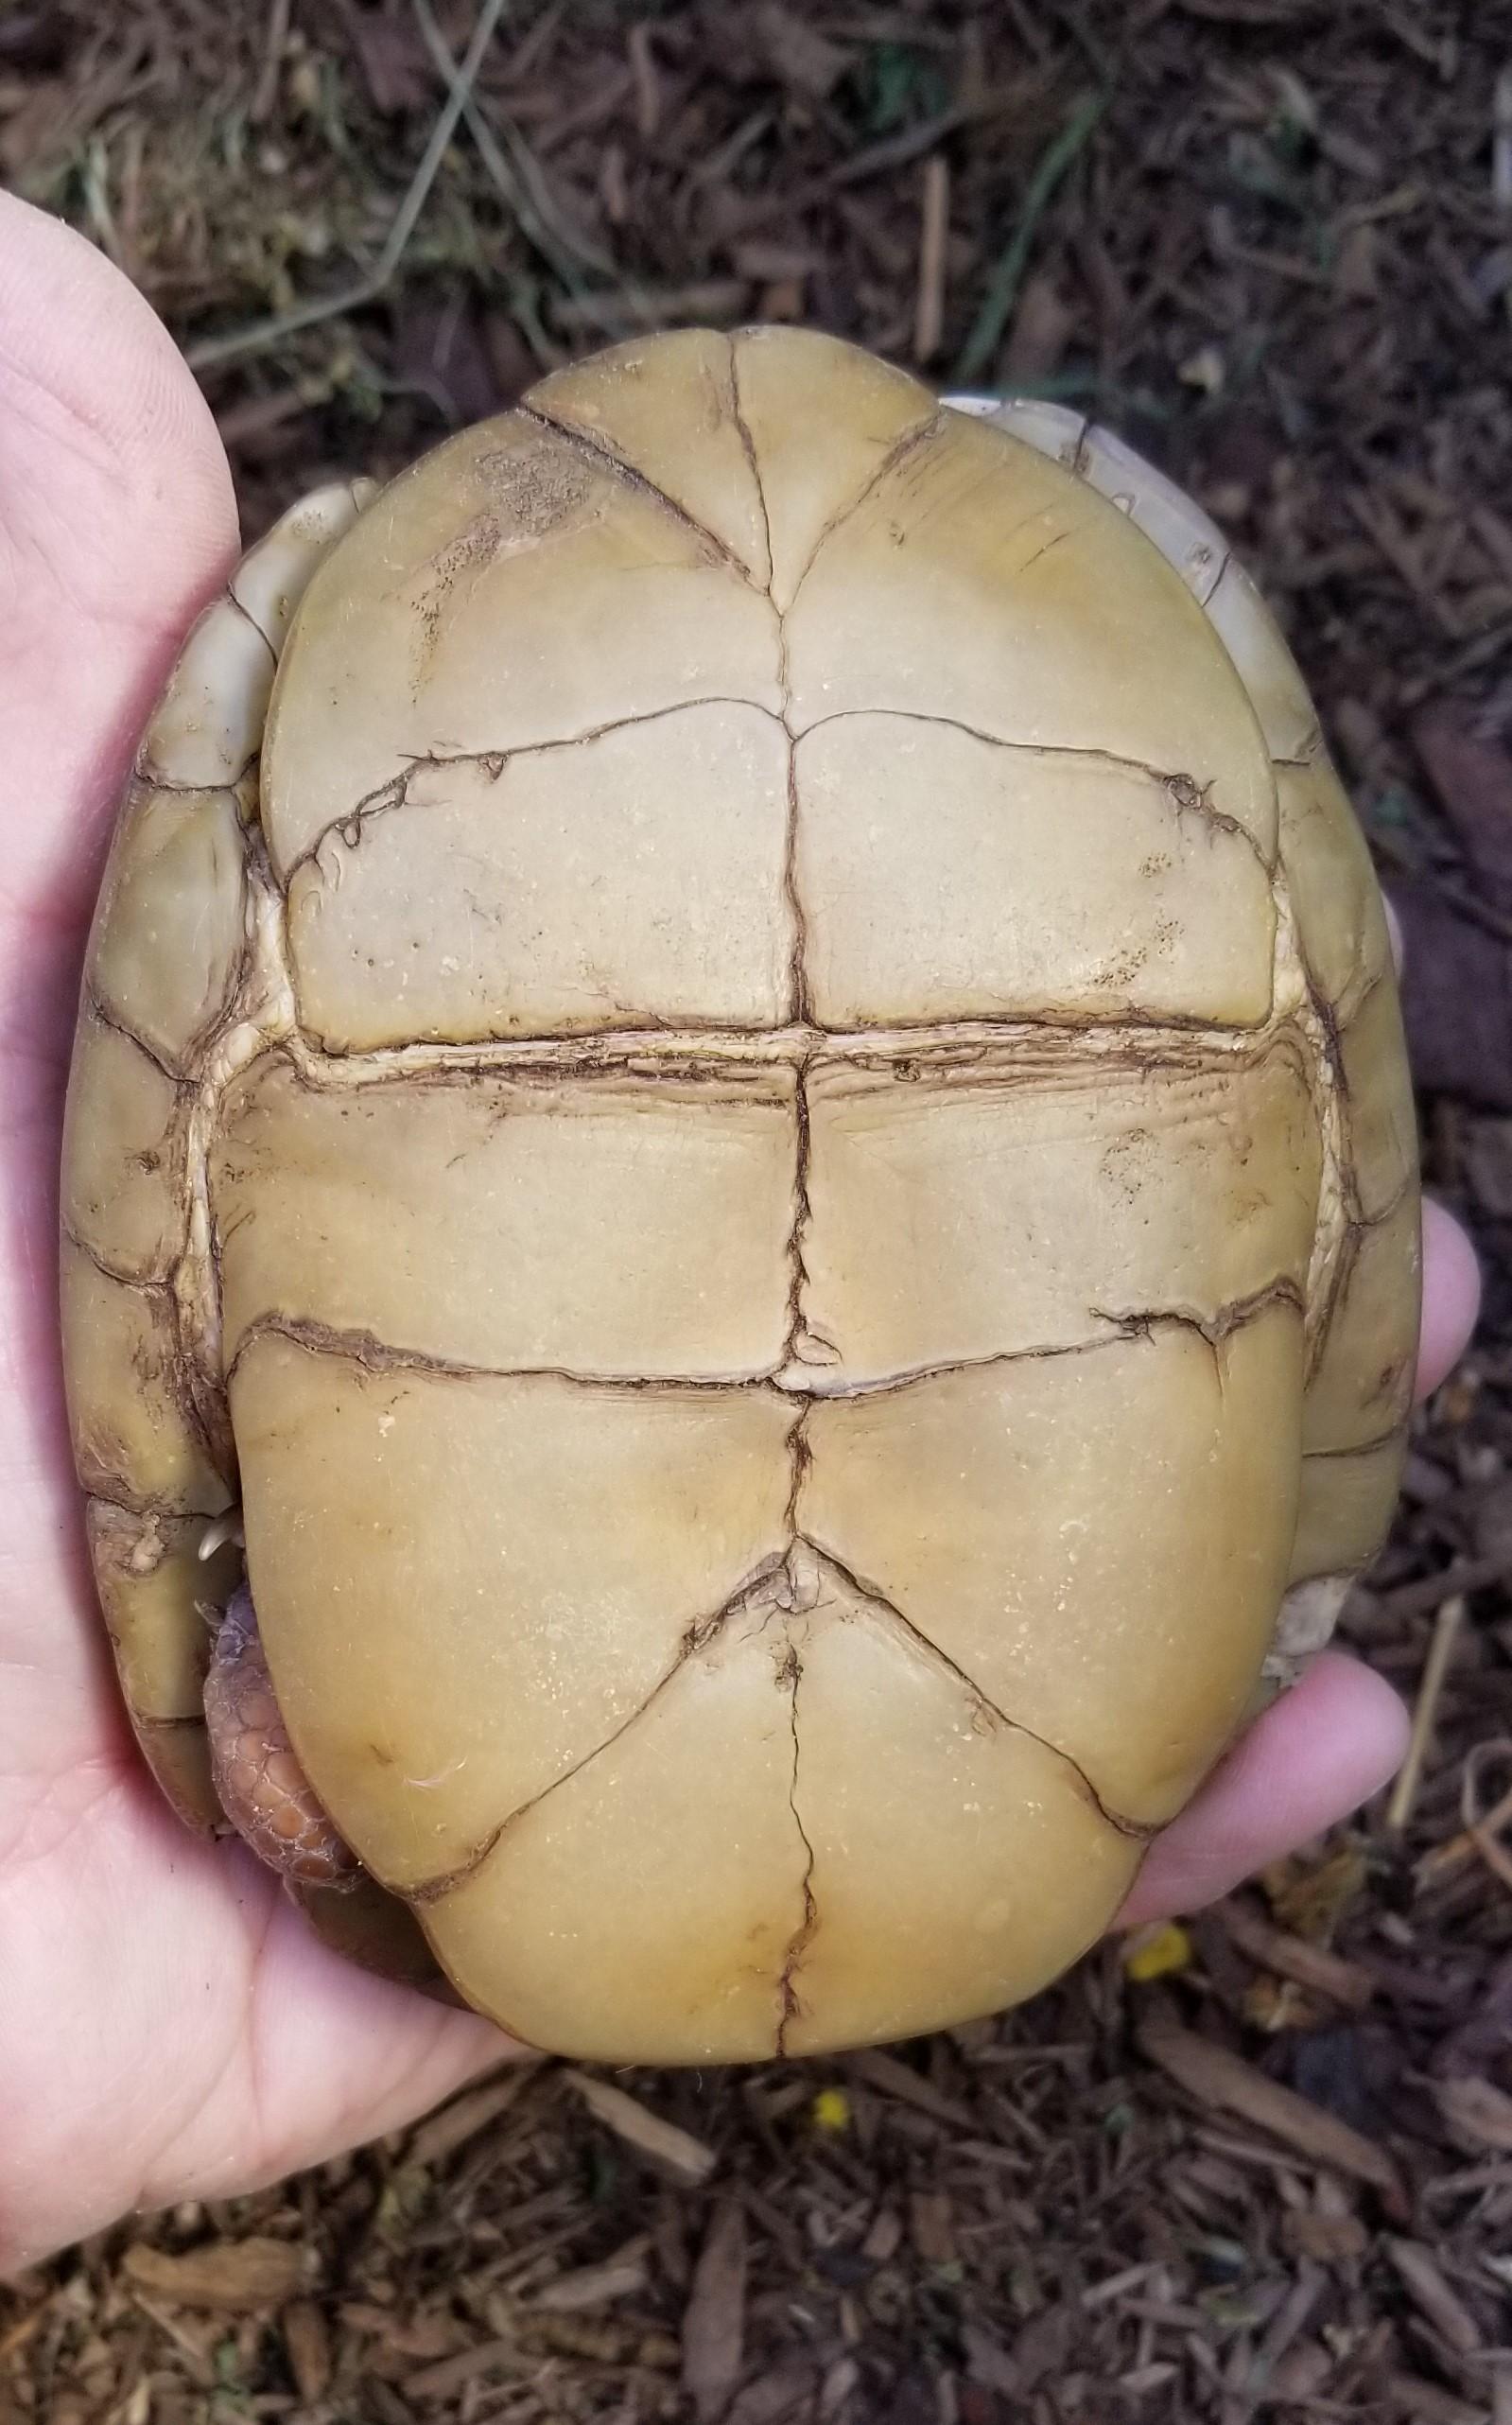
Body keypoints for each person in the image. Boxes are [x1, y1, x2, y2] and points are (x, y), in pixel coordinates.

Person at [0, 194, 1482, 2275]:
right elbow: (1330, 1109)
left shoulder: (344, 709)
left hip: (485, 680)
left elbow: (158, 1247)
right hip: (995, 671)